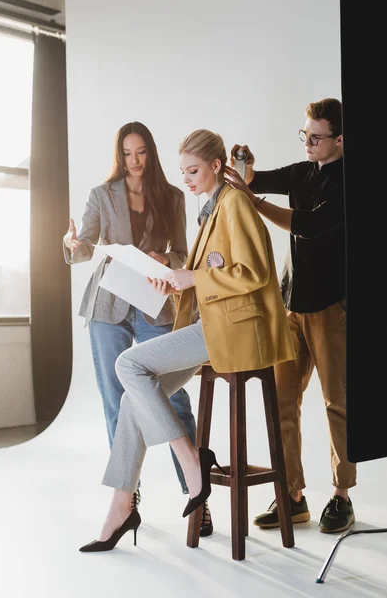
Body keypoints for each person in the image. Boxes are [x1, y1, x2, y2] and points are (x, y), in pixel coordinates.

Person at [78, 128, 296, 552]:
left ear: (217, 166)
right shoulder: (213, 208)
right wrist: (176, 283)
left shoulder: (235, 205)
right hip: (214, 325)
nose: (187, 180)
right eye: (183, 172)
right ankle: (122, 505)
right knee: (129, 399)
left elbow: (254, 274)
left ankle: (192, 462)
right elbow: (212, 276)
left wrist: (191, 276)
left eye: (194, 170)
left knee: (128, 366)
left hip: (232, 331)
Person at [63, 121, 213, 536]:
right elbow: (84, 247)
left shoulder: (171, 196)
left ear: (151, 152)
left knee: (173, 395)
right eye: (127, 153)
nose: (134, 161)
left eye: (141, 152)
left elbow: (184, 255)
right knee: (116, 401)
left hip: (154, 306)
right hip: (108, 305)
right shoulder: (101, 195)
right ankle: (127, 500)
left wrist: (166, 260)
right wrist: (72, 246)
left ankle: (196, 495)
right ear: (119, 154)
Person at [227, 98, 355, 534]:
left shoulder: (348, 181)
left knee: (337, 403)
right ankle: (292, 495)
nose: (309, 143)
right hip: (290, 304)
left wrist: (255, 201)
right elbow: (255, 180)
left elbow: (309, 225)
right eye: (305, 134)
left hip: (330, 305)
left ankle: (342, 496)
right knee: (282, 401)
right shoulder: (302, 171)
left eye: (317, 137)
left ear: (340, 139)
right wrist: (245, 168)